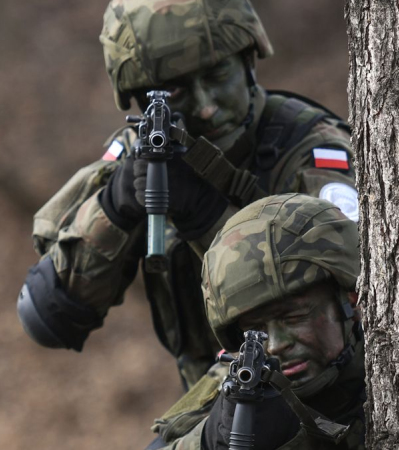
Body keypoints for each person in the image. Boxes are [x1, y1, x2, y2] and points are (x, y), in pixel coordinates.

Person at [16, 0, 359, 388]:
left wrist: (205, 216)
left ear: (249, 58)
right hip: (220, 400)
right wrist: (116, 206)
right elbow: (50, 317)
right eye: (176, 90)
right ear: (140, 98)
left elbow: (356, 327)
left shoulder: (312, 156)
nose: (207, 106)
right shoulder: (143, 153)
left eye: (218, 75)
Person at [149, 193, 365, 450]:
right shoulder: (238, 387)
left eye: (294, 317)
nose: (274, 346)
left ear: (350, 299)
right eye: (254, 330)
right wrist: (209, 440)